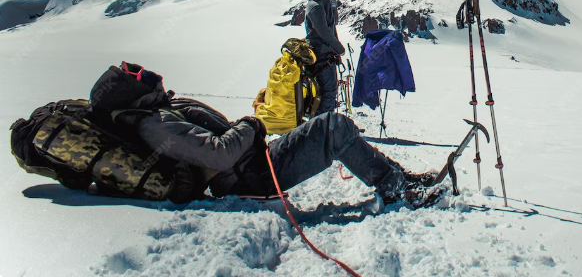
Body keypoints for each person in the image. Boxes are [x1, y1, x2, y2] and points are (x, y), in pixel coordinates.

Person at [119, 89, 441, 207]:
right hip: (249, 176)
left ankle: (397, 176)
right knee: (332, 128)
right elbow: (219, 153)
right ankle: (398, 189)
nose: (144, 73)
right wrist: (250, 124)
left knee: (333, 126)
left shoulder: (162, 111)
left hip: (252, 162)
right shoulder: (156, 123)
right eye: (133, 74)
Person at [303, 0, 345, 115]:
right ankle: (322, 126)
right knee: (328, 92)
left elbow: (330, 30)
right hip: (321, 55)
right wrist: (339, 48)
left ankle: (323, 124)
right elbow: (324, 32)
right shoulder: (316, 7)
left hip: (325, 54)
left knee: (327, 92)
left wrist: (336, 50)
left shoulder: (320, 4)